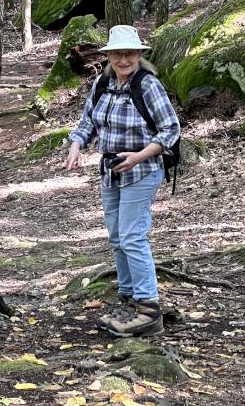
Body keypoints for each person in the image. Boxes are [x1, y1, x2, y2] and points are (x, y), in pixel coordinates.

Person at [65, 25, 180, 337]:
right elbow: (88, 120)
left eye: (130, 54)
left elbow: (170, 129)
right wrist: (76, 145)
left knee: (132, 236)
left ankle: (149, 310)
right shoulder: (103, 83)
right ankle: (129, 301)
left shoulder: (148, 85)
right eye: (118, 54)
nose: (124, 59)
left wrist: (139, 156)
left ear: (139, 56)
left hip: (142, 170)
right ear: (109, 56)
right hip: (111, 170)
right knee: (117, 237)